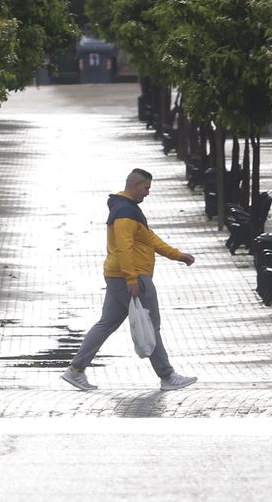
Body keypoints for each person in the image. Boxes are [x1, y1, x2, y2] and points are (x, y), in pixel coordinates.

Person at [62, 168, 198, 392]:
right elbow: (123, 246)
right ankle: (167, 376)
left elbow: (148, 238)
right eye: (146, 188)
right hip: (131, 275)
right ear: (135, 185)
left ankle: (75, 370)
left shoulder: (127, 208)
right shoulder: (125, 211)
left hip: (119, 275)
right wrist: (132, 278)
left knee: (107, 323)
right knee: (151, 325)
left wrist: (177, 255)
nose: (147, 193)